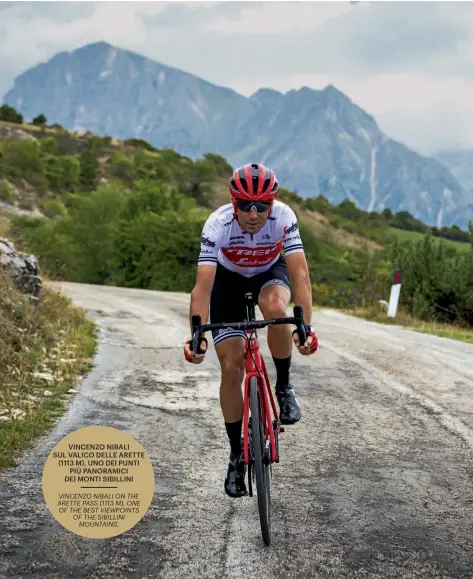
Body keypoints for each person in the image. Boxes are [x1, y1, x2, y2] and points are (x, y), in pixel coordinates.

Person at [183, 163, 318, 498]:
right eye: (246, 206)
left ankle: (284, 387)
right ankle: (236, 455)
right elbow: (202, 288)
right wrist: (197, 336)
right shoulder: (217, 225)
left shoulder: (284, 218)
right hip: (227, 284)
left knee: (276, 310)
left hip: (269, 273)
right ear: (234, 203)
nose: (254, 214)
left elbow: (300, 274)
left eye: (262, 206)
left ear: (272, 205)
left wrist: (305, 327)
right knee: (231, 369)